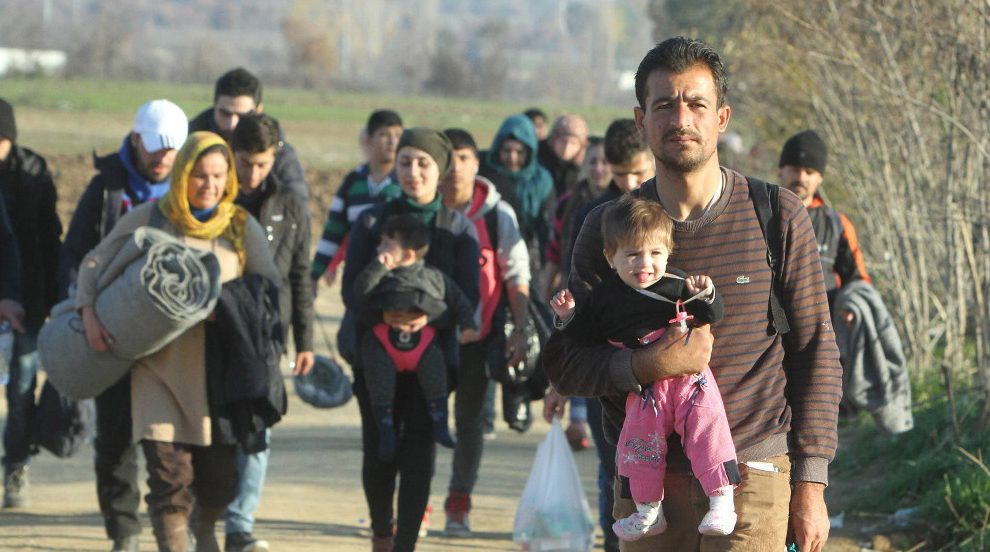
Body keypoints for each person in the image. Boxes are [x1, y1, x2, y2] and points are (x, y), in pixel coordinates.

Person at [543, 37, 840, 552]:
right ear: (641, 121)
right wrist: (647, 365)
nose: (681, 119)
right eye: (664, 105)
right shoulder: (607, 229)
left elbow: (815, 349)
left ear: (721, 117)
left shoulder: (777, 216)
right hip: (648, 487)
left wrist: (811, 484)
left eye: (696, 104)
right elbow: (567, 365)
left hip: (754, 473)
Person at [76, 131, 280, 552]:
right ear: (183, 173)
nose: (210, 185)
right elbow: (95, 263)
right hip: (158, 371)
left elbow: (268, 291)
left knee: (220, 481)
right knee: (169, 480)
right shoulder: (153, 218)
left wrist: (227, 305)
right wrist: (89, 313)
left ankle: (204, 530)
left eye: (218, 176)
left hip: (220, 378)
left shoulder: (241, 227)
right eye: (200, 175)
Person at [551, 196, 738, 541]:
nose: (645, 264)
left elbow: (713, 315)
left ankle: (721, 500)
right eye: (633, 255)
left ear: (668, 253)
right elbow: (584, 337)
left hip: (689, 380)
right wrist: (567, 317)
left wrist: (706, 294)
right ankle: (648, 511)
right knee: (638, 444)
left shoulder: (677, 285)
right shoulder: (604, 298)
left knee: (707, 428)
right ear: (610, 257)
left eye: (655, 253)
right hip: (644, 387)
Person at [58, 99, 188, 552]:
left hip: (170, 340)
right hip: (111, 334)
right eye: (156, 147)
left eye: (173, 150)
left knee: (170, 444)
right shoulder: (107, 189)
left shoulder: (190, 188)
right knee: (115, 438)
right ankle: (124, 531)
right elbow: (75, 254)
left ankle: (175, 527)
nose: (164, 158)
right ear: (135, 139)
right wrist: (83, 312)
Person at [341, 128, 479, 552]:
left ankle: (405, 544)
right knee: (379, 452)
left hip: (431, 360)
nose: (413, 172)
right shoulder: (371, 221)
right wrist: (384, 315)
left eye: (423, 163)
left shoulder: (457, 229)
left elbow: (467, 297)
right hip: (374, 356)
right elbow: (351, 291)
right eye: (405, 162)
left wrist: (428, 315)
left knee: (419, 456)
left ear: (441, 170)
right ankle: (381, 534)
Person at [226, 113, 315, 552]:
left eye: (261, 164)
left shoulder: (292, 207)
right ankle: (204, 514)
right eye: (244, 162)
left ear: (275, 158)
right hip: (219, 329)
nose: (252, 173)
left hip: (267, 336)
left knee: (258, 428)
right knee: (216, 429)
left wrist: (305, 342)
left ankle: (239, 524)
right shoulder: (214, 199)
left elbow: (300, 276)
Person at [438, 128, 531, 537]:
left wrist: (520, 329)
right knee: (420, 423)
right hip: (429, 340)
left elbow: (516, 273)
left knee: (470, 423)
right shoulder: (425, 210)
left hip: (479, 339)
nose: (455, 168)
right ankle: (415, 504)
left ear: (476, 164)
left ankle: (458, 504)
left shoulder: (497, 214)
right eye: (449, 159)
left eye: (464, 158)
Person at [354, 214, 478, 460]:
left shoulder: (433, 277)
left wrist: (468, 326)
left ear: (408, 254)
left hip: (422, 343)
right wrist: (378, 267)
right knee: (380, 385)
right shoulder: (379, 274)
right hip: (383, 342)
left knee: (436, 376)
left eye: (387, 244)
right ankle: (386, 432)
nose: (379, 249)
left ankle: (440, 424)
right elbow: (359, 291)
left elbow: (459, 301)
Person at [0, 98, 62, 511]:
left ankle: (16, 466)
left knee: (22, 390)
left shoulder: (33, 172)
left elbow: (49, 240)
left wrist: (56, 300)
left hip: (28, 305)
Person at [311, 109, 404, 290]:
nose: (392, 141)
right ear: (369, 140)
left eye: (398, 135)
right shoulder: (353, 182)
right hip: (358, 278)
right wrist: (314, 274)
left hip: (395, 281)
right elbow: (334, 230)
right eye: (384, 135)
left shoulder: (405, 182)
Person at [778, 129, 871, 309]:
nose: (801, 177)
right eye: (795, 169)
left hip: (823, 323)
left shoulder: (837, 225)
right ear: (781, 169)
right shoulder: (759, 215)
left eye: (809, 172)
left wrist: (852, 307)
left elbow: (858, 282)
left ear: (820, 178)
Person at [188, 67, 309, 201]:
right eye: (225, 114)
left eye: (242, 116)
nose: (232, 124)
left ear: (259, 110)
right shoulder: (190, 140)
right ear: (214, 105)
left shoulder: (275, 145)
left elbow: (296, 200)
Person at [478, 114, 555, 289]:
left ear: (530, 152)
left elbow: (548, 223)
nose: (512, 158)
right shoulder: (485, 175)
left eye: (519, 152)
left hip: (528, 255)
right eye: (507, 151)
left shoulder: (541, 181)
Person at [538, 114, 589, 195]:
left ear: (581, 146)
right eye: (563, 141)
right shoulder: (539, 161)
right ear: (553, 140)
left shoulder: (587, 167)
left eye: (573, 143)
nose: (566, 147)